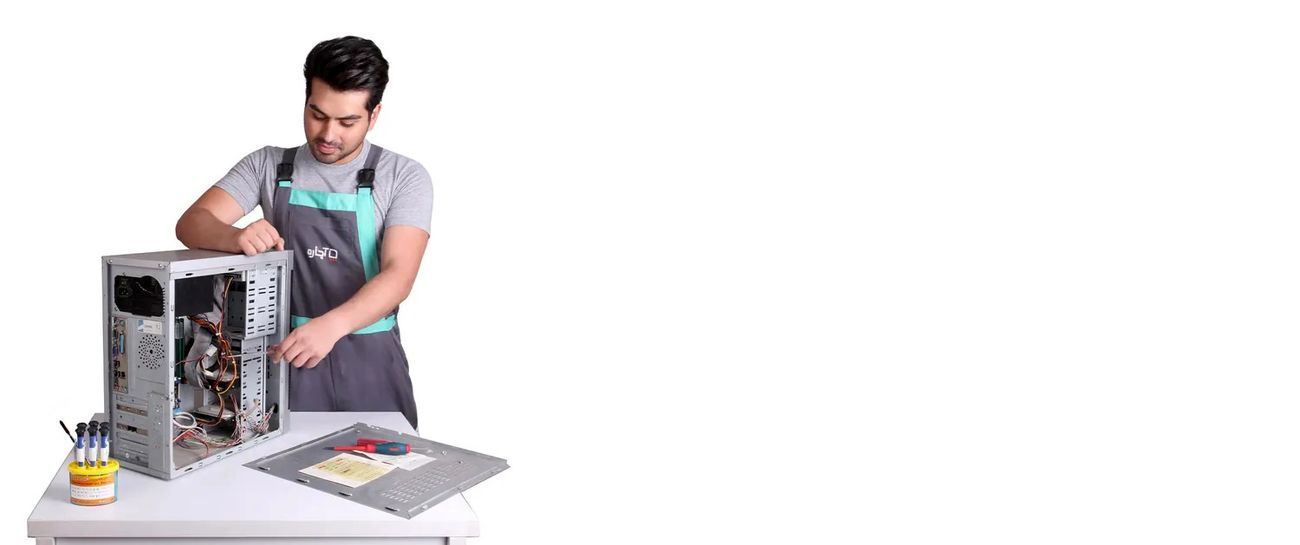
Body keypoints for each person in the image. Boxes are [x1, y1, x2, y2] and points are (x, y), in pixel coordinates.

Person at [175, 36, 432, 428]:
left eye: (347, 122)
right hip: (284, 355)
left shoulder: (403, 176)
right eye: (317, 114)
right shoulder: (267, 165)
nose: (328, 134)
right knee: (278, 462)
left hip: (370, 361)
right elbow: (191, 222)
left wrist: (333, 325)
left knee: (382, 462)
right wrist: (234, 237)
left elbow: (399, 275)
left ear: (374, 115)